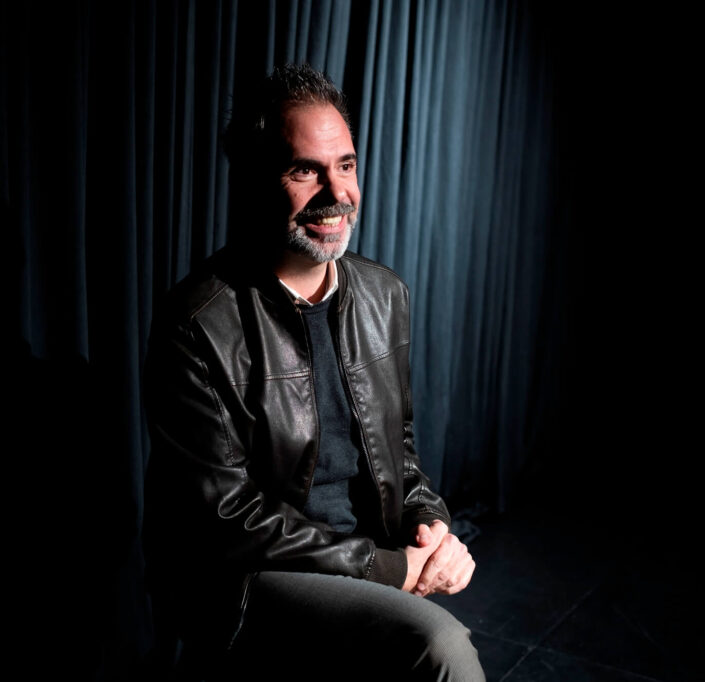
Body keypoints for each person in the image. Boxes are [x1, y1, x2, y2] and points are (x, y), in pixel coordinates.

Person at [143, 63, 484, 681]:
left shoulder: (383, 295)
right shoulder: (197, 322)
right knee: (442, 648)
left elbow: (400, 456)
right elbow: (226, 515)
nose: (336, 192)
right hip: (253, 575)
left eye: (345, 165)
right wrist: (389, 569)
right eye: (305, 170)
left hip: (367, 555)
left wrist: (431, 527)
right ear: (255, 181)